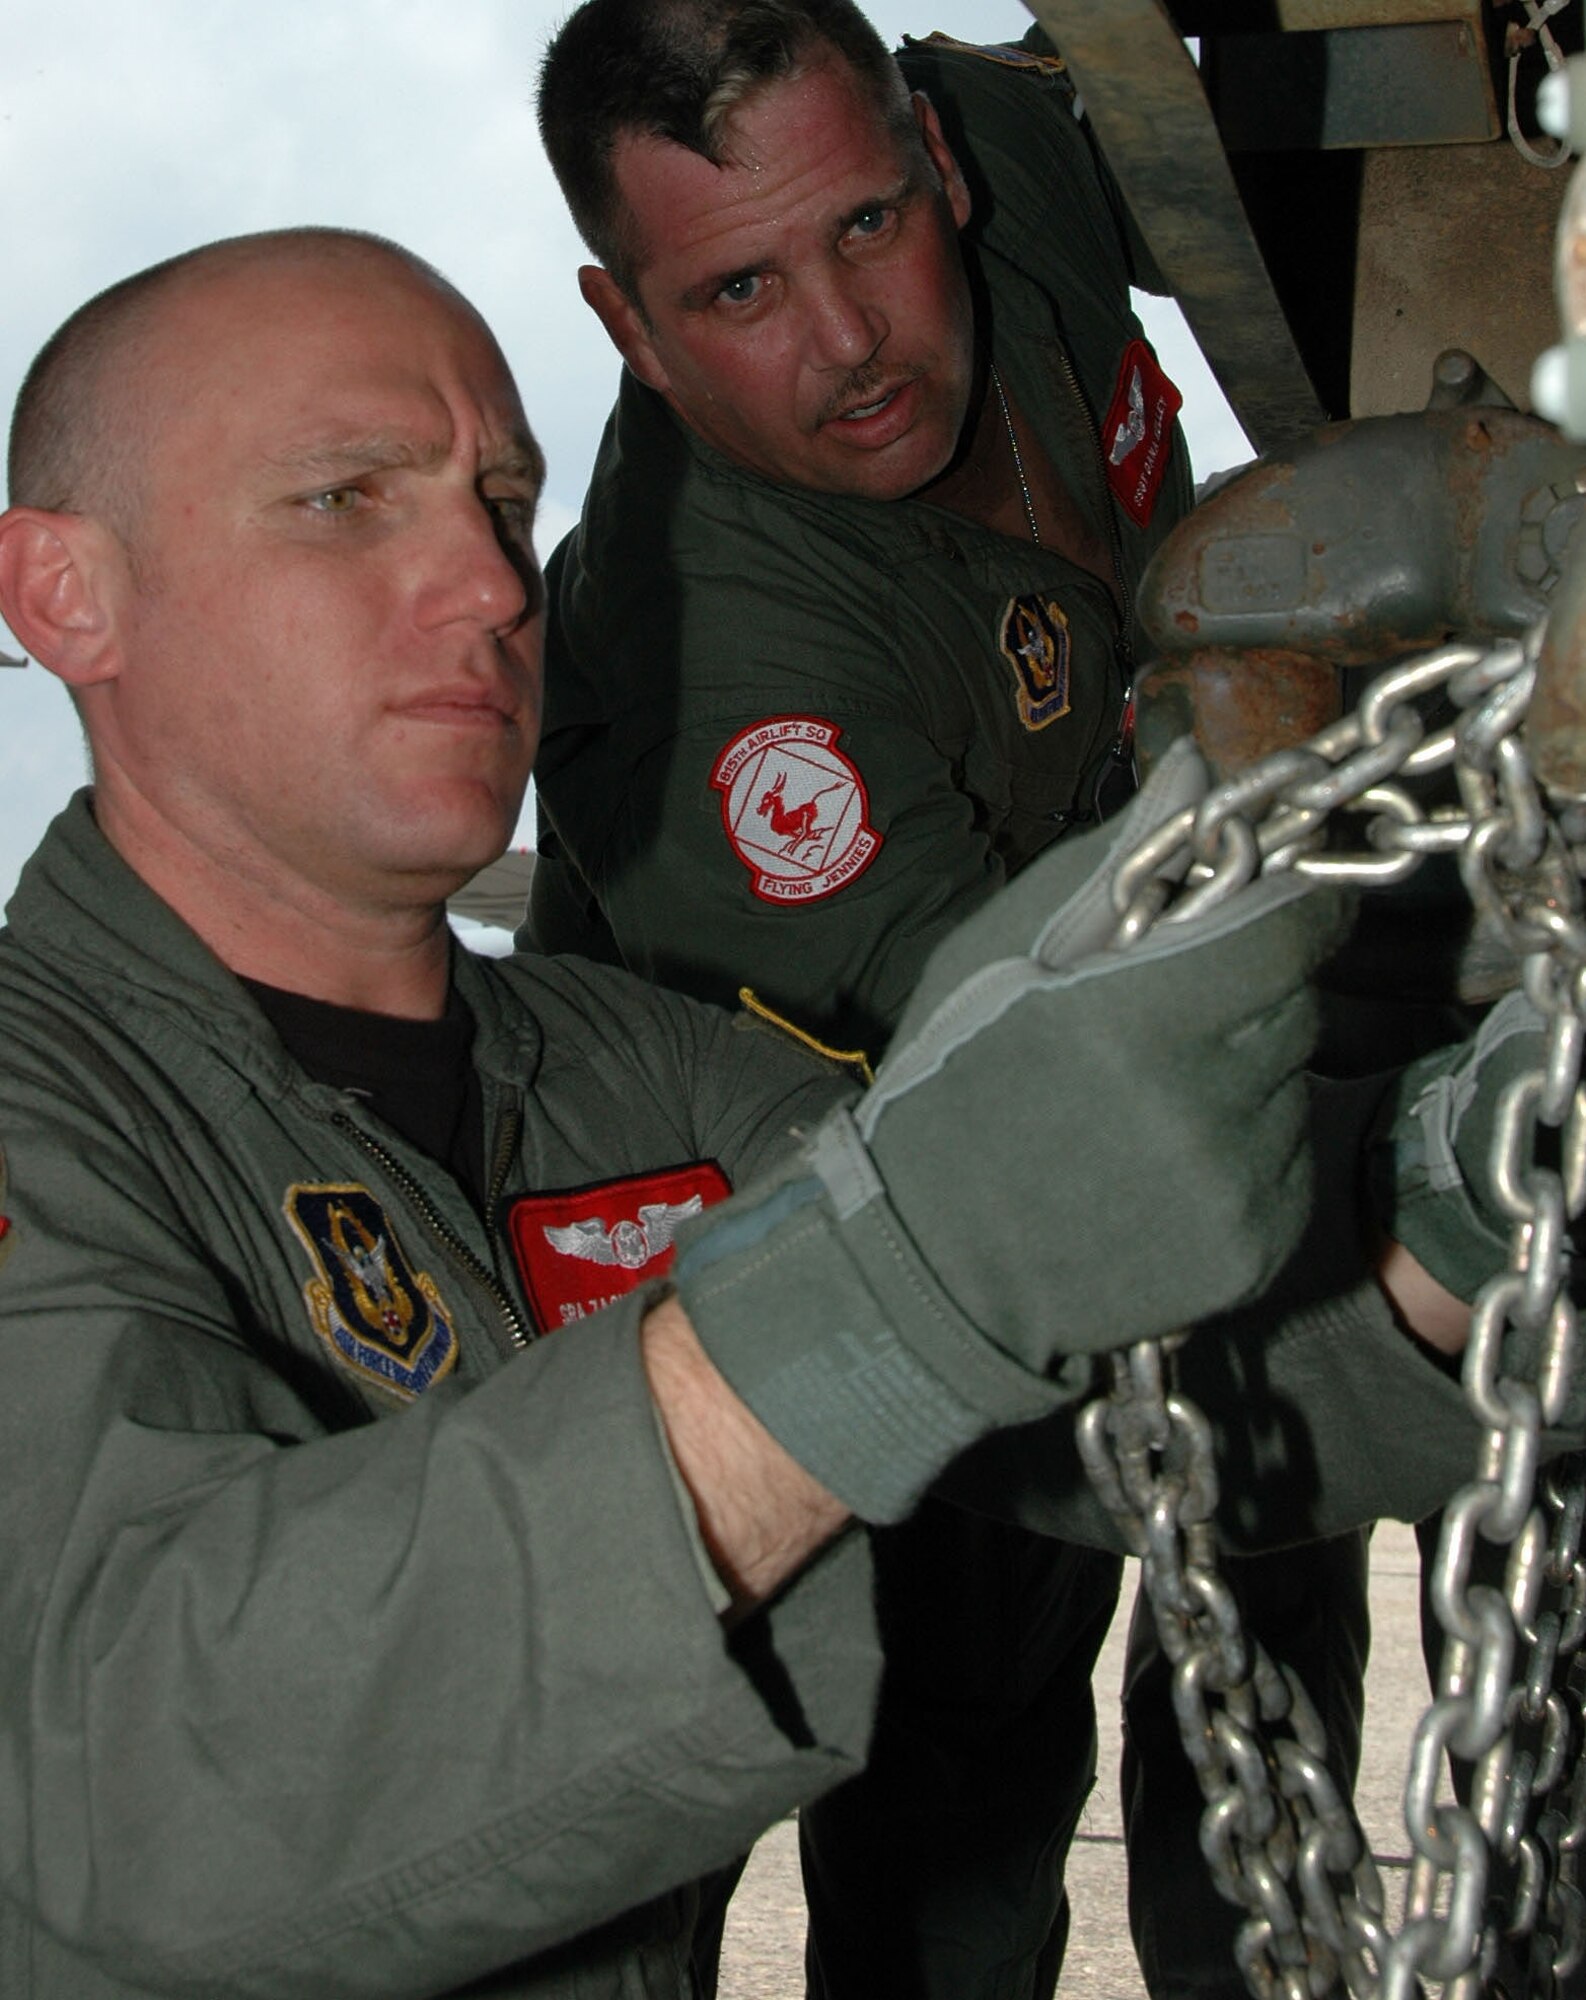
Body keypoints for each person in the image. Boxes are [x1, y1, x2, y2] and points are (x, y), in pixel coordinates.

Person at [0, 222, 1392, 2000]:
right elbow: (103, 1793)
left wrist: (1452, 1205)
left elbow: (1142, 1346)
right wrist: (895, 1292)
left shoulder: (643, 1073)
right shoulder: (48, 1104)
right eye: (349, 498)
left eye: (501, 501)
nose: (499, 586)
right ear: (66, 596)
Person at [526, 6, 1368, 1995]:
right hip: (857, 1174)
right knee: (956, 1779)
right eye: (735, 288)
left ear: (938, 152)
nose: (851, 343)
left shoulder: (1019, 155)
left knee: (1283, 1634)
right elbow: (1032, 1078)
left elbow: (1255, 139)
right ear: (628, 323)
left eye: (871, 226)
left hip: (1173, 924)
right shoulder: (708, 660)